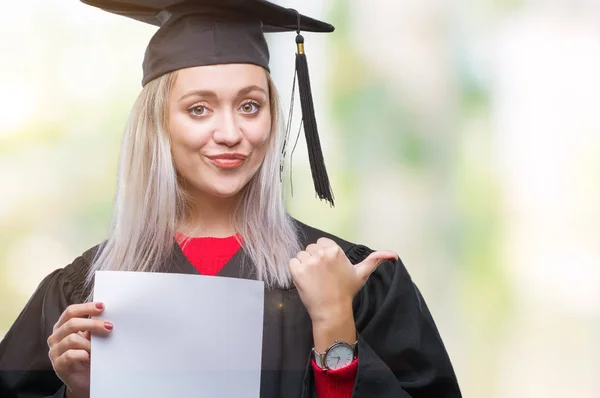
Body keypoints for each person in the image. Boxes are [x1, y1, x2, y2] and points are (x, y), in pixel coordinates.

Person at [0, 1, 462, 397]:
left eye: (249, 105)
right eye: (199, 109)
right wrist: (82, 392)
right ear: (158, 124)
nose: (230, 133)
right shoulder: (83, 293)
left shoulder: (351, 282)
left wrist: (336, 327)